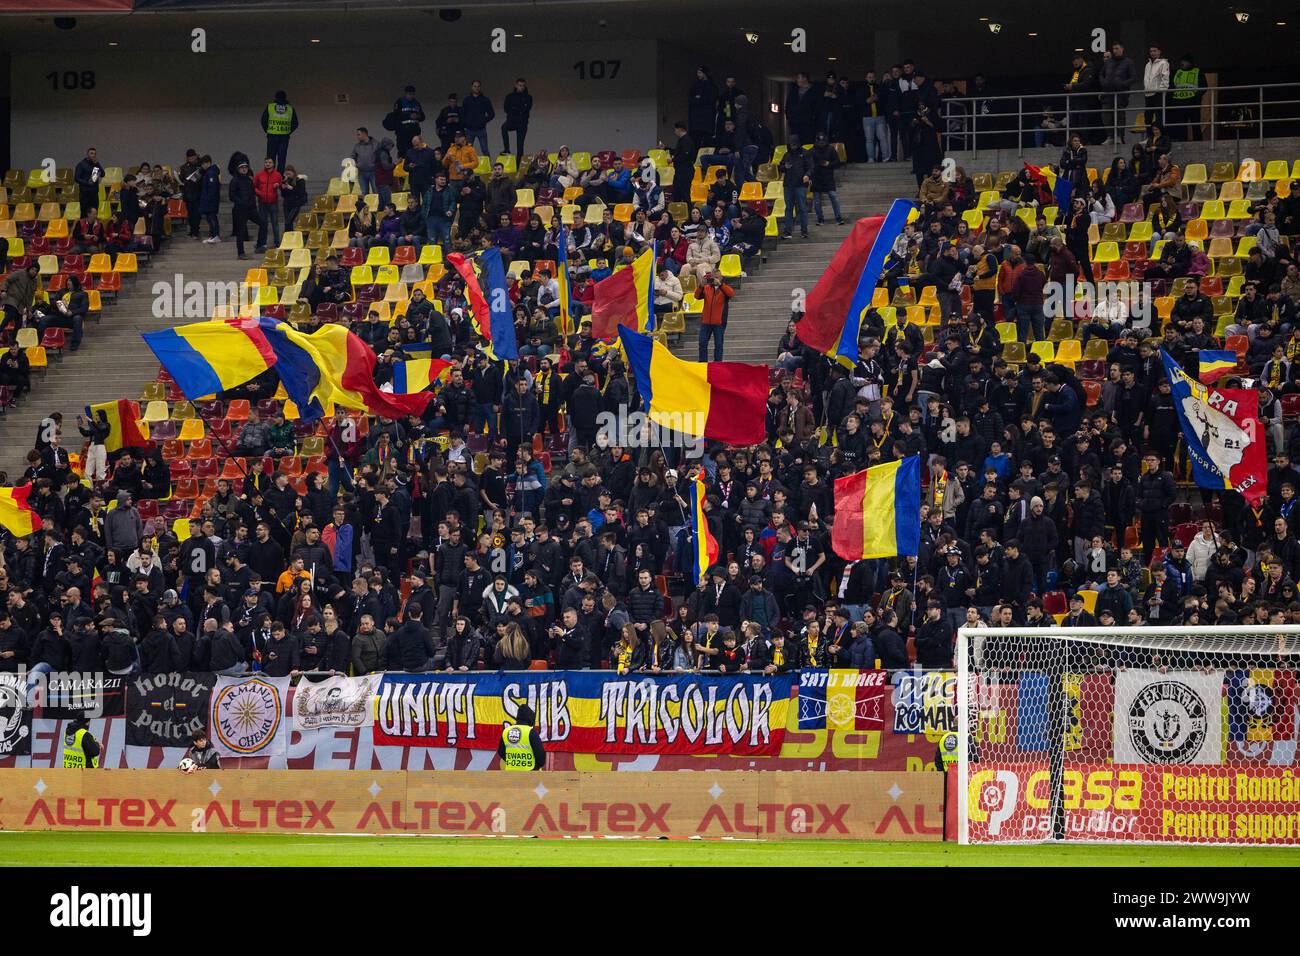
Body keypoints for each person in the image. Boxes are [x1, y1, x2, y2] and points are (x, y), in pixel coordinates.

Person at [497, 702, 546, 771]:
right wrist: (535, 767)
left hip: (511, 773)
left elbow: (501, 751)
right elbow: (541, 756)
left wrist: (513, 763)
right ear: (530, 718)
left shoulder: (506, 731)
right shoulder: (530, 732)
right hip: (530, 773)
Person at [260, 89, 297, 172]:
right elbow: (295, 123)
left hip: (272, 136)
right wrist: (288, 131)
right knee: (282, 159)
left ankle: (269, 176)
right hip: (284, 137)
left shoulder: (270, 107)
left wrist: (268, 130)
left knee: (270, 158)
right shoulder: (290, 109)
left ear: (275, 97)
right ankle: (279, 177)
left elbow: (263, 120)